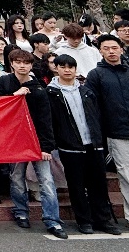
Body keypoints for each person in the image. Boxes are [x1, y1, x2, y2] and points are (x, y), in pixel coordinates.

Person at [0, 50, 67, 238]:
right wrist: (14, 96)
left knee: (47, 181)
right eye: (18, 62)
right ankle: (21, 212)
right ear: (11, 63)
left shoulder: (39, 86)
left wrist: (46, 146)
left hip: (37, 141)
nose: (22, 66)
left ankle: (52, 220)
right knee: (17, 178)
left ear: (31, 65)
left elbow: (45, 118)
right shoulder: (3, 83)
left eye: (26, 62)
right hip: (14, 140)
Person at [47, 54, 121, 235]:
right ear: (56, 68)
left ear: (75, 69)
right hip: (70, 146)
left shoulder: (86, 90)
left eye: (70, 67)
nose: (67, 70)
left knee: (99, 184)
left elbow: (97, 115)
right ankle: (84, 220)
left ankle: (103, 220)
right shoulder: (51, 93)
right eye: (63, 67)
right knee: (77, 185)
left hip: (93, 143)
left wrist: (100, 139)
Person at [85, 35, 129, 230]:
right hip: (116, 132)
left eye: (114, 47)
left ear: (121, 49)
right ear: (100, 51)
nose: (111, 51)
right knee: (127, 175)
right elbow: (92, 105)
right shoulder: (96, 75)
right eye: (106, 48)